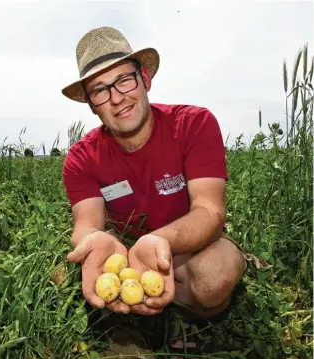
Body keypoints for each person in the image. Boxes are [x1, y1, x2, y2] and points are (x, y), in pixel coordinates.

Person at [61, 26, 247, 320]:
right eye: (100, 90)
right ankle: (148, 313)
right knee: (68, 274)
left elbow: (210, 211)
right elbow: (86, 225)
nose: (117, 97)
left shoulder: (193, 125)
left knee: (215, 276)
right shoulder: (81, 157)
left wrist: (161, 241)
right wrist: (93, 240)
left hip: (187, 247)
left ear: (144, 79)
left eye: (124, 80)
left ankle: (185, 318)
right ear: (91, 104)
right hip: (124, 253)